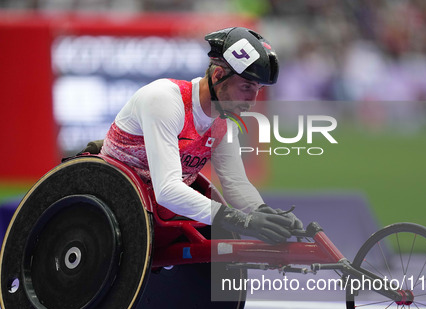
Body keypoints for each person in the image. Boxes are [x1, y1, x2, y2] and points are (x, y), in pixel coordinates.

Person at [100, 27, 302, 244]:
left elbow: (235, 183)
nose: (252, 101)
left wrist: (264, 214)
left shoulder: (224, 121)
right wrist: (242, 221)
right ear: (218, 75)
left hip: (156, 214)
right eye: (246, 86)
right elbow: (167, 191)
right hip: (110, 204)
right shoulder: (164, 100)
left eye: (258, 89)